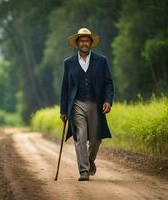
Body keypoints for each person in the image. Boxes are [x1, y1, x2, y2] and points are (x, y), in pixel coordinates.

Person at [60, 27, 114, 181]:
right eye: (81, 40)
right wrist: (63, 110)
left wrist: (108, 101)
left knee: (96, 139)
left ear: (91, 43)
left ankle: (89, 161)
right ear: (77, 43)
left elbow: (109, 83)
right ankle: (84, 171)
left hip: (96, 105)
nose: (84, 43)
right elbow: (65, 88)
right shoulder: (69, 63)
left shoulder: (101, 61)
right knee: (80, 137)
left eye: (87, 40)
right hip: (77, 105)